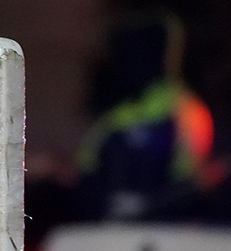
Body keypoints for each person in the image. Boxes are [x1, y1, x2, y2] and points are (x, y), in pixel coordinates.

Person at [75, 10, 216, 221]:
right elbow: (87, 164)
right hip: (108, 223)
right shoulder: (119, 113)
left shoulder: (185, 111)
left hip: (162, 224)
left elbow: (188, 174)